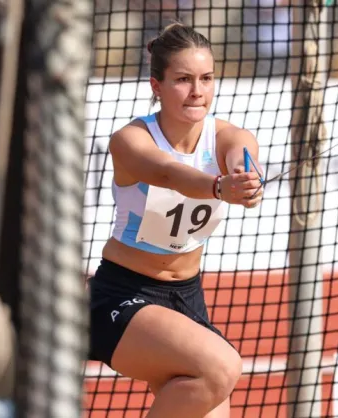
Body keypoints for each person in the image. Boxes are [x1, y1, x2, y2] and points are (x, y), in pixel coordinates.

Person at [88, 22, 265, 418]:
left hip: (187, 297)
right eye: (183, 80)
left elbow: (242, 156)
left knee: (214, 398)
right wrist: (220, 188)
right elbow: (168, 173)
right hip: (122, 295)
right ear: (157, 86)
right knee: (221, 367)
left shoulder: (227, 136)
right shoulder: (131, 141)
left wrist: (245, 179)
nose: (197, 90)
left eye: (206, 78)